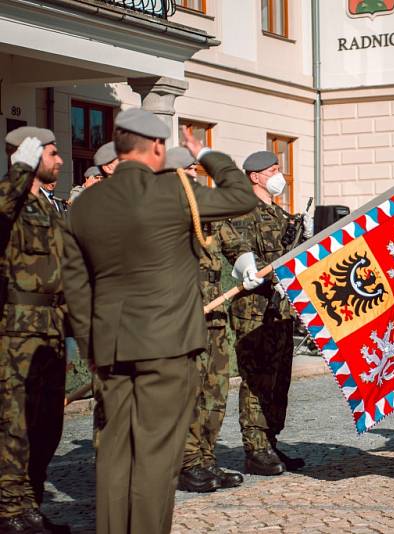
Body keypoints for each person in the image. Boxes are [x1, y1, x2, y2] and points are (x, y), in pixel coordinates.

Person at [62, 109, 256, 534]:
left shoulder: (84, 203)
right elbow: (242, 196)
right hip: (166, 346)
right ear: (155, 147)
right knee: (155, 454)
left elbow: (76, 285)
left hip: (110, 347)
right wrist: (205, 154)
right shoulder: (173, 191)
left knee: (114, 452)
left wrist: (91, 346)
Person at [162, 147, 247, 493]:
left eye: (195, 171)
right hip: (185, 315)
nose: (194, 176)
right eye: (188, 171)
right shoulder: (164, 213)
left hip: (216, 311)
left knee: (216, 391)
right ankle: (186, 462)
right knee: (189, 393)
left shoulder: (205, 210)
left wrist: (245, 262)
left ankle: (206, 457)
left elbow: (233, 243)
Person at [0, 127, 70, 533]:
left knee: (47, 424)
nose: (60, 160)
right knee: (14, 421)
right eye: (52, 153)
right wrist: (19, 171)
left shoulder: (50, 207)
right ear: (27, 155)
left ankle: (32, 503)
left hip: (53, 329)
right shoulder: (7, 200)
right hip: (16, 331)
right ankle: (10, 509)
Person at [227, 150, 307, 477]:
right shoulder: (243, 211)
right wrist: (253, 271)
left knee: (279, 378)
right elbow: (240, 252)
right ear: (255, 176)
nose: (279, 175)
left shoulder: (280, 215)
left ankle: (271, 440)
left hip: (282, 309)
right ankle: (255, 447)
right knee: (257, 377)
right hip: (255, 310)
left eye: (279, 168)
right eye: (272, 170)